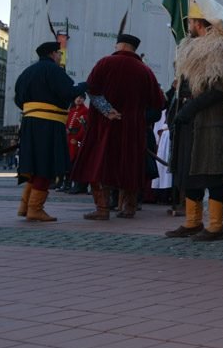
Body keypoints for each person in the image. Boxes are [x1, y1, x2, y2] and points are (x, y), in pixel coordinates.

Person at [164, 0, 223, 242]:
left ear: (200, 23)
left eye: (191, 21)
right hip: (191, 123)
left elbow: (219, 89)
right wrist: (177, 109)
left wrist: (191, 108)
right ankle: (192, 222)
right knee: (190, 173)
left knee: (213, 174)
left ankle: (216, 226)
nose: (188, 25)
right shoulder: (189, 47)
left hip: (211, 123)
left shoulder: (222, 49)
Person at [71, 33, 165, 221]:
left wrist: (107, 110)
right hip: (133, 129)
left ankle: (102, 208)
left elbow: (91, 88)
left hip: (105, 127)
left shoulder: (105, 63)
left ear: (120, 46)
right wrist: (139, 115)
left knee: (100, 165)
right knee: (130, 166)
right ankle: (129, 208)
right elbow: (159, 102)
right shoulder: (145, 71)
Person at [13, 41, 87, 221]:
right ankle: (35, 209)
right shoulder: (53, 70)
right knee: (45, 165)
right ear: (53, 54)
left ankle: (25, 206)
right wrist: (86, 85)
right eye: (59, 53)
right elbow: (68, 92)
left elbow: (18, 99)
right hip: (49, 123)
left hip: (29, 122)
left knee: (34, 165)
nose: (60, 56)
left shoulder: (27, 72)